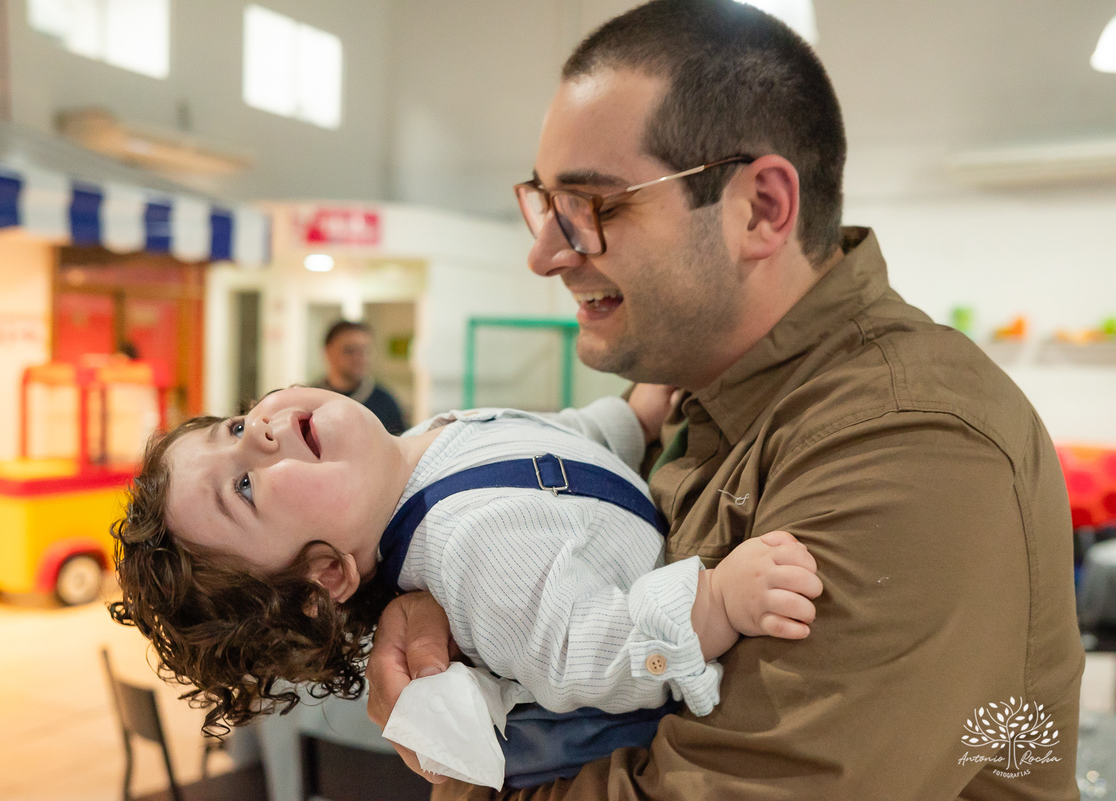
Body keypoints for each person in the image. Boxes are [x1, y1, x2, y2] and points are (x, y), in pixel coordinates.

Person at [363, 1, 1083, 798]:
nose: (545, 253)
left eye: (593, 207)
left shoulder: (909, 444)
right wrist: (455, 618)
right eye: (545, 203)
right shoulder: (698, 396)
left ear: (761, 208)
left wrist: (466, 759)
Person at [108, 384, 823, 787]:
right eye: (243, 486)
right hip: (700, 660)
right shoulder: (467, 549)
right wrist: (719, 601)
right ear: (327, 575)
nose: (259, 435)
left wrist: (627, 419)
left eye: (234, 424)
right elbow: (591, 653)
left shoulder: (422, 443)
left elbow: (552, 437)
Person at [315, 320, 407, 434]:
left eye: (365, 350)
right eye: (350, 350)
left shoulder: (385, 403)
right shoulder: (311, 399)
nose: (360, 358)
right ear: (328, 351)